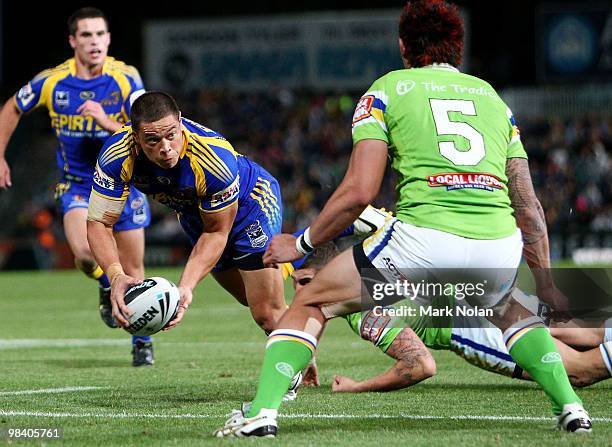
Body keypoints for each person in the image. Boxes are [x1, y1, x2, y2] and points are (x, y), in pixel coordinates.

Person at [214, 0, 591, 437]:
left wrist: (299, 244)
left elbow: (358, 192)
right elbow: (528, 205)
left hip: (424, 239)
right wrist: (545, 283)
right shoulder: (492, 99)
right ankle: (572, 409)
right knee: (512, 312)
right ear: (458, 49)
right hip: (497, 240)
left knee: (312, 301)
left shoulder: (387, 90)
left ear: (402, 46)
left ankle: (261, 414)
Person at [86, 91, 309, 396]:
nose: (165, 148)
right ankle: (300, 294)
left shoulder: (214, 158)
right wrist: (115, 275)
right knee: (249, 297)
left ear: (180, 124)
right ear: (134, 136)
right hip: (196, 215)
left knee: (266, 313)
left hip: (250, 204)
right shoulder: (116, 156)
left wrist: (185, 287)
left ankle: (309, 256)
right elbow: (99, 223)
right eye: (152, 140)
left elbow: (217, 233)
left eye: (171, 135)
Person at [0, 7, 153, 366]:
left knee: (134, 268)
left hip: (123, 182)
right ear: (73, 41)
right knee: (85, 257)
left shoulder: (126, 78)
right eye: (86, 35)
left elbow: (145, 130)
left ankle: (141, 341)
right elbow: (12, 108)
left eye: (101, 34)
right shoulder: (52, 81)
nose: (95, 41)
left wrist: (104, 120)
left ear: (109, 39)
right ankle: (105, 285)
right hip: (77, 185)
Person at [288, 246, 612, 392]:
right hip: (489, 291)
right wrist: (310, 352)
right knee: (590, 335)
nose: (300, 294)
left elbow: (420, 365)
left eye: (304, 282)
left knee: (578, 372)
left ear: (323, 276)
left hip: (470, 326)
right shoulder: (373, 262)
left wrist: (357, 387)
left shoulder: (362, 312)